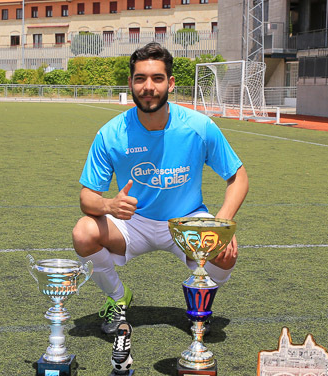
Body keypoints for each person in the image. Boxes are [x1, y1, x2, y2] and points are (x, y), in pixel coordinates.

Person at [72, 42, 249, 334]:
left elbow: (238, 177)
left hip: (186, 220)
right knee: (83, 232)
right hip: (133, 222)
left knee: (224, 252)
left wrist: (222, 222)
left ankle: (200, 306)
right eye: (140, 78)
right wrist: (109, 206)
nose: (148, 87)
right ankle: (118, 298)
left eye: (157, 78)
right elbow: (87, 198)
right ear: (130, 83)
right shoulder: (111, 134)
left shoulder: (198, 126)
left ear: (171, 83)